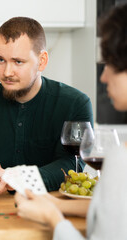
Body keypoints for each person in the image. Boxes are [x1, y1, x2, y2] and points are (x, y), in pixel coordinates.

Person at [0, 16, 93, 195]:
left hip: (50, 209)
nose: (7, 72)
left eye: (18, 62)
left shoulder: (75, 103)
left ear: (42, 61)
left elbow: (72, 163)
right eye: (0, 60)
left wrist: (18, 178)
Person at [15, 4, 127, 239]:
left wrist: (52, 218)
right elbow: (109, 209)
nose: (104, 76)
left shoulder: (121, 161)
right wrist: (50, 202)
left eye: (112, 64)